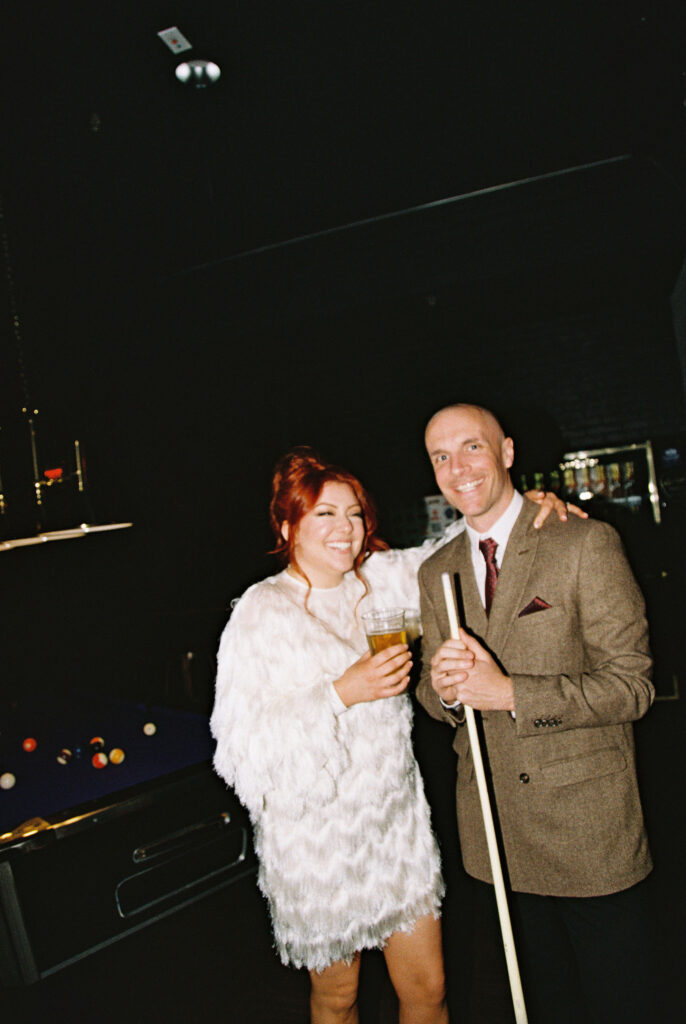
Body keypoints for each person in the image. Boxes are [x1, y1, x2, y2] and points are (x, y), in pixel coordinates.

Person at [210, 447, 576, 1024]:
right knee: (338, 997)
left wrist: (520, 510)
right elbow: (238, 748)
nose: (346, 530)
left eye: (354, 514)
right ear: (288, 526)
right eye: (325, 515)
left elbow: (455, 553)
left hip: (395, 828)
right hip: (316, 845)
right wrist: (340, 692)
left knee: (429, 990)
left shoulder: (380, 581)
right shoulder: (262, 612)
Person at [416, 404, 655, 1024]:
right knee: (539, 1006)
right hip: (496, 839)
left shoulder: (584, 542)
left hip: (589, 834)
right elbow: (431, 696)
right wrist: (444, 692)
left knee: (619, 1003)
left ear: (509, 452)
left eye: (472, 447)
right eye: (441, 456)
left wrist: (511, 693)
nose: (457, 468)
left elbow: (631, 687)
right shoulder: (435, 571)